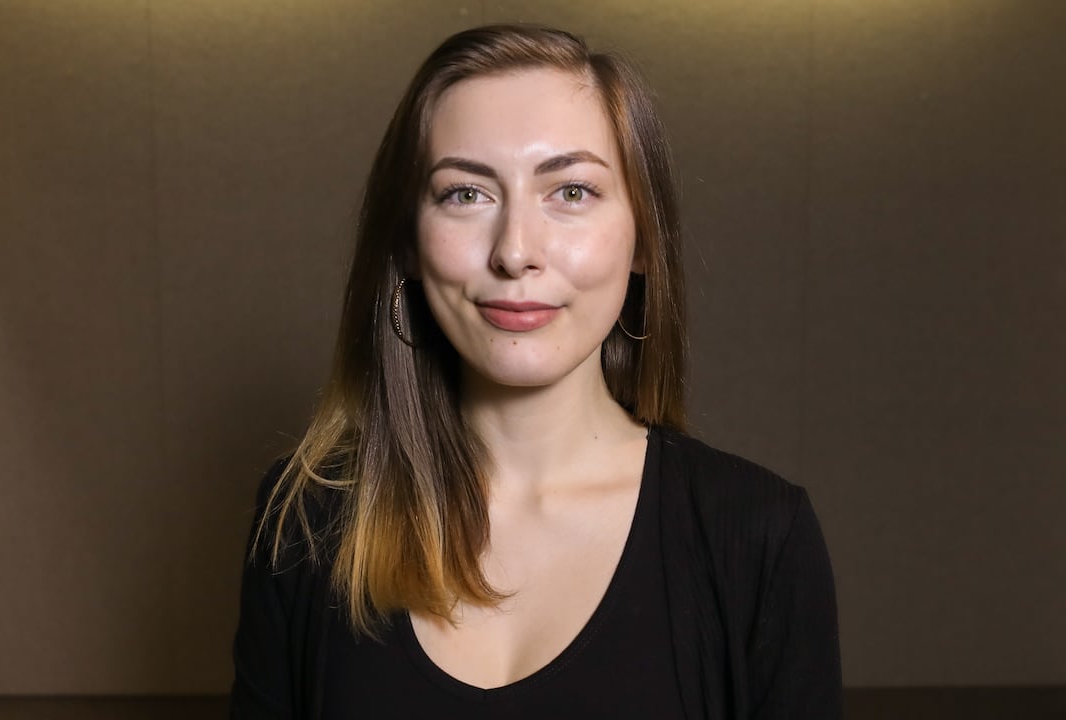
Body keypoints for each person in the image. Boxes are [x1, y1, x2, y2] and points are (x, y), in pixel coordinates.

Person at [231, 24, 841, 720]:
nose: (516, 251)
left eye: (571, 192)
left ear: (643, 238)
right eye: (465, 194)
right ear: (405, 244)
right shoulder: (305, 518)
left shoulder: (760, 535)